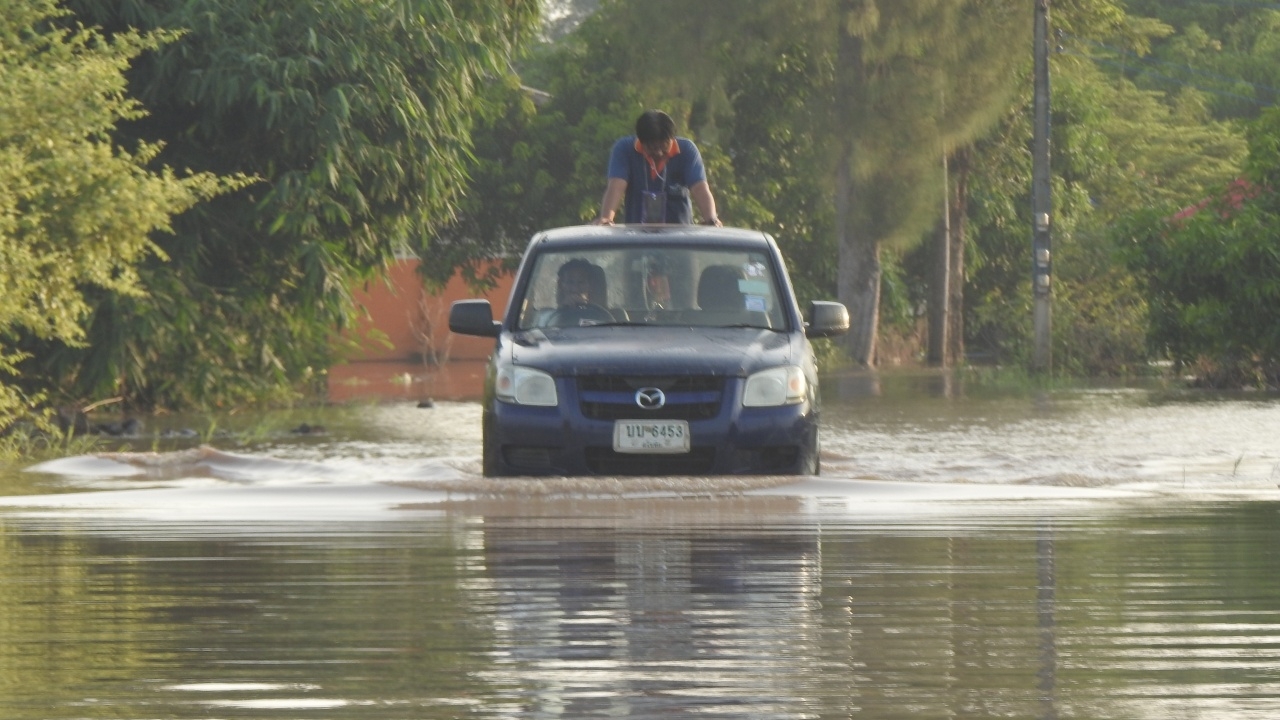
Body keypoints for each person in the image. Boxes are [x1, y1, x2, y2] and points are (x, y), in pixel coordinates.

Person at [591, 110, 722, 226]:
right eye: (652, 148)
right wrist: (606, 218)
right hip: (637, 238)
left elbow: (700, 188)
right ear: (641, 141)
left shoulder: (687, 151)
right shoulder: (624, 149)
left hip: (680, 239)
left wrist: (711, 218)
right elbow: (615, 187)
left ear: (672, 138)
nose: (658, 153)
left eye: (663, 147)